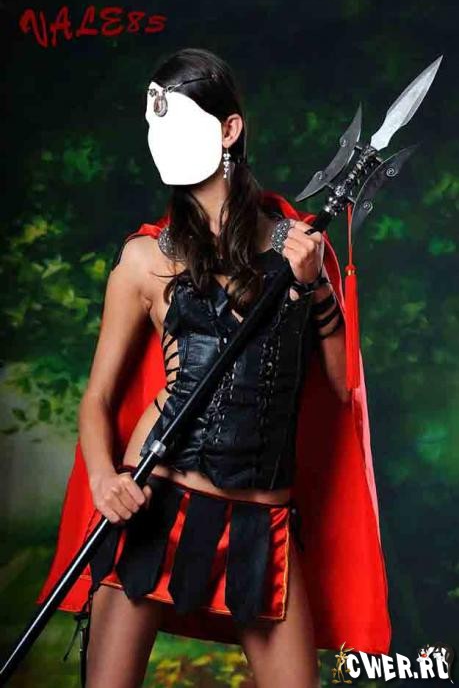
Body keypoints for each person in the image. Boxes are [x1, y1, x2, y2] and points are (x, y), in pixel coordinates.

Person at [36, 47, 392, 687]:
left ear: (229, 129)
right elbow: (97, 399)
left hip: (261, 518)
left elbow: (343, 388)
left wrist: (315, 286)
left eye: (178, 121)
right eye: (155, 125)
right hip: (157, 501)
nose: (161, 140)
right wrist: (103, 478)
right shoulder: (145, 259)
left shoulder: (301, 248)